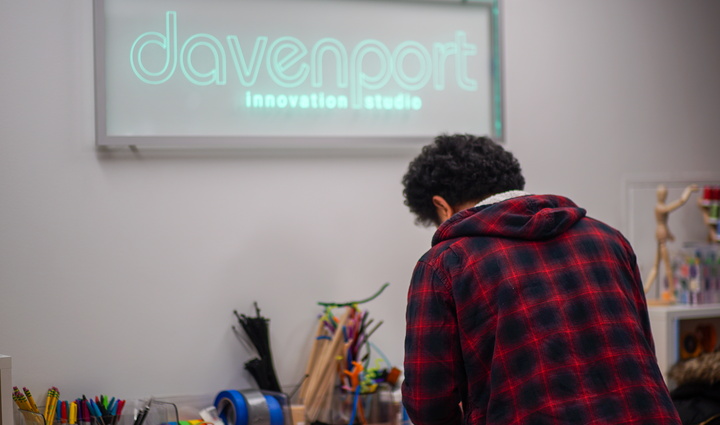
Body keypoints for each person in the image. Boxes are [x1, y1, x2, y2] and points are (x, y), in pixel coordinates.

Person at [400, 134, 681, 425]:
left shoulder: (445, 262)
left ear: (442, 207)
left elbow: (429, 404)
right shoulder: (608, 239)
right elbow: (645, 351)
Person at [644, 184, 699, 300]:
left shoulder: (660, 207)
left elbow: (664, 223)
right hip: (661, 235)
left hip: (662, 233)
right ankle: (672, 293)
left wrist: (669, 234)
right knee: (666, 266)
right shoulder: (660, 207)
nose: (663, 195)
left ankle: (646, 289)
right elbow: (680, 201)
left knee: (657, 265)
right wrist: (687, 191)